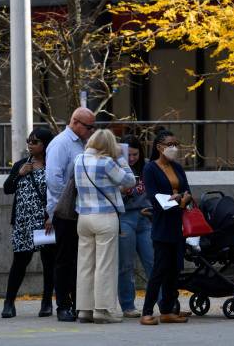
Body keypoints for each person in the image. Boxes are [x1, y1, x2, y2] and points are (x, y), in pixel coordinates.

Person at [74, 129, 135, 323]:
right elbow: (130, 181)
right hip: (105, 216)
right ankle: (102, 310)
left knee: (85, 265)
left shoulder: (79, 160)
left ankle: (84, 309)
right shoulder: (107, 163)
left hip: (83, 217)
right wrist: (121, 158)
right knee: (105, 265)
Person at [46, 107, 96, 322]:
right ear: (75, 122)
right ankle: (63, 305)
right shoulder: (61, 143)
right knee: (64, 260)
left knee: (80, 260)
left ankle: (80, 302)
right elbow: (53, 179)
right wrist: (67, 202)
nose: (91, 130)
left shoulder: (84, 144)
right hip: (66, 211)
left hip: (81, 210)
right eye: (88, 126)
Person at [2, 128, 56, 319]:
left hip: (44, 223)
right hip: (23, 222)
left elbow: (57, 192)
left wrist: (51, 216)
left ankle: (47, 302)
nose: (30, 145)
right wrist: (19, 173)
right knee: (20, 262)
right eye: (29, 141)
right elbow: (7, 189)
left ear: (45, 144)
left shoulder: (52, 165)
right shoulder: (20, 164)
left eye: (35, 142)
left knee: (48, 263)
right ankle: (9, 303)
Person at [140, 130, 191, 326]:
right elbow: (154, 197)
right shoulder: (150, 169)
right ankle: (147, 311)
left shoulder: (177, 167)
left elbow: (186, 190)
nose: (174, 148)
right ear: (159, 147)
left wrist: (182, 199)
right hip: (162, 224)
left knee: (175, 268)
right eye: (170, 144)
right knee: (160, 269)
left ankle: (167, 310)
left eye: (176, 144)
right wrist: (176, 199)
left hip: (179, 224)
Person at [118, 135, 154, 318]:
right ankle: (127, 305)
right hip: (125, 217)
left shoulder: (147, 166)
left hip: (145, 217)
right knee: (125, 264)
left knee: (152, 261)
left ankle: (164, 303)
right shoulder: (116, 167)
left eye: (135, 154)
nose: (131, 159)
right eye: (128, 155)